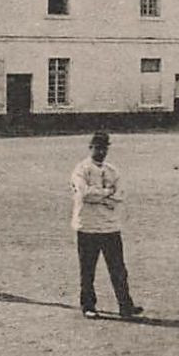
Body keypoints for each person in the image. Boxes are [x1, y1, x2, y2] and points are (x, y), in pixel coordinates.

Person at [70, 132, 142, 319]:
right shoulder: (81, 169)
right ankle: (88, 305)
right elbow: (85, 194)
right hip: (87, 227)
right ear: (90, 147)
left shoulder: (112, 170)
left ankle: (125, 305)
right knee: (87, 270)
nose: (101, 152)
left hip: (110, 226)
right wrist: (107, 194)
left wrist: (102, 196)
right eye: (97, 148)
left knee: (118, 269)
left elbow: (121, 194)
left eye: (104, 148)